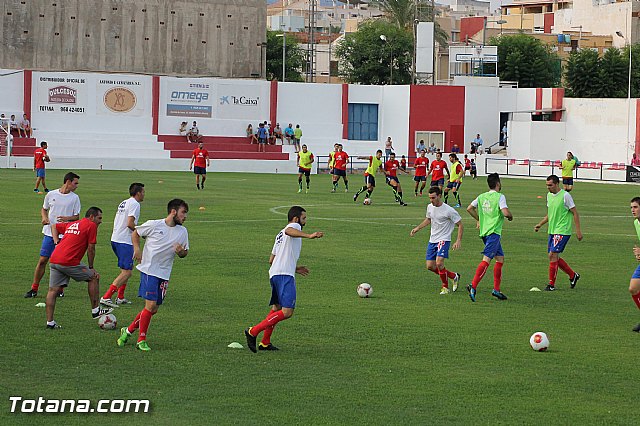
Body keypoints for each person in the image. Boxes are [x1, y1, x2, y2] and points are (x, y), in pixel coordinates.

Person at [244, 206, 324, 352]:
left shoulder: (279, 235)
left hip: (276, 273)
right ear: (296, 218)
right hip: (284, 275)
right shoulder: (293, 226)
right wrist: (309, 236)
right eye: (304, 218)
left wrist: (295, 267)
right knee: (287, 312)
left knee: (277, 309)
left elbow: (271, 259)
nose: (305, 221)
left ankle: (265, 343)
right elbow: (290, 231)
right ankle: (253, 331)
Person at [116, 199, 190, 352]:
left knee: (153, 309)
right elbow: (136, 232)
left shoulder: (182, 232)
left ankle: (128, 330)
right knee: (149, 306)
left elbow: (185, 252)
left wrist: (181, 252)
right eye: (183, 213)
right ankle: (141, 340)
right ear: (173, 212)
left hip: (164, 274)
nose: (185, 217)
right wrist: (137, 249)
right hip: (149, 270)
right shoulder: (154, 225)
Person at [45, 207, 113, 329]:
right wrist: (91, 267)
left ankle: (50, 322)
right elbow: (91, 248)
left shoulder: (74, 223)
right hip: (68, 261)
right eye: (99, 218)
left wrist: (56, 243)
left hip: (54, 259)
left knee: (52, 291)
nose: (100, 221)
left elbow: (54, 226)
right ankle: (96, 310)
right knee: (93, 277)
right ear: (92, 217)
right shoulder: (91, 226)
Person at [24, 172, 81, 299]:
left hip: (66, 236)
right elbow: (44, 208)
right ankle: (34, 288)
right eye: (75, 183)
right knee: (43, 260)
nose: (77, 186)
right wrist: (44, 218)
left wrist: (67, 218)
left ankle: (60, 289)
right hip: (50, 234)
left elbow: (77, 216)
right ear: (68, 182)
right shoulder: (51, 194)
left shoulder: (75, 198)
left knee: (62, 264)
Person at [466, 173, 513, 302]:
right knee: (486, 259)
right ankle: (473, 286)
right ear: (498, 184)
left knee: (500, 259)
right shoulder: (500, 197)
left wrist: (479, 219)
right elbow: (504, 212)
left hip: (485, 233)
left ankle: (496, 290)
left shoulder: (481, 197)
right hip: (494, 233)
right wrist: (510, 216)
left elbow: (469, 208)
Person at [410, 187, 463, 294]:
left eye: (433, 198)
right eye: (430, 198)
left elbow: (460, 224)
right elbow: (428, 219)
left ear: (439, 196)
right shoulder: (430, 207)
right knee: (430, 266)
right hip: (432, 240)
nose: (431, 200)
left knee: (439, 263)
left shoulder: (449, 210)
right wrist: (417, 228)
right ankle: (453, 276)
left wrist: (458, 240)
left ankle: (445, 287)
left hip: (444, 239)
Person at [534, 175, 582, 291]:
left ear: (556, 184)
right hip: (552, 230)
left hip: (563, 230)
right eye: (547, 185)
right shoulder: (549, 196)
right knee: (553, 256)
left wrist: (578, 231)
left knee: (552, 255)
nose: (548, 187)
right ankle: (573, 275)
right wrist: (540, 224)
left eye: (550, 185)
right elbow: (550, 214)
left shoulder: (565, 196)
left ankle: (551, 285)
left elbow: (575, 212)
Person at [100, 183, 145, 307]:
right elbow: (130, 223)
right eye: (143, 192)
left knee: (125, 270)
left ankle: (120, 297)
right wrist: (141, 232)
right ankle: (106, 297)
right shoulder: (135, 204)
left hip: (115, 239)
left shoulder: (124, 202)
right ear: (138, 193)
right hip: (124, 241)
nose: (144, 195)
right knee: (127, 273)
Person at [629, 197, 640, 332]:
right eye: (631, 207)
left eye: (635, 207)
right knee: (633, 288)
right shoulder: (636, 223)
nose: (632, 210)